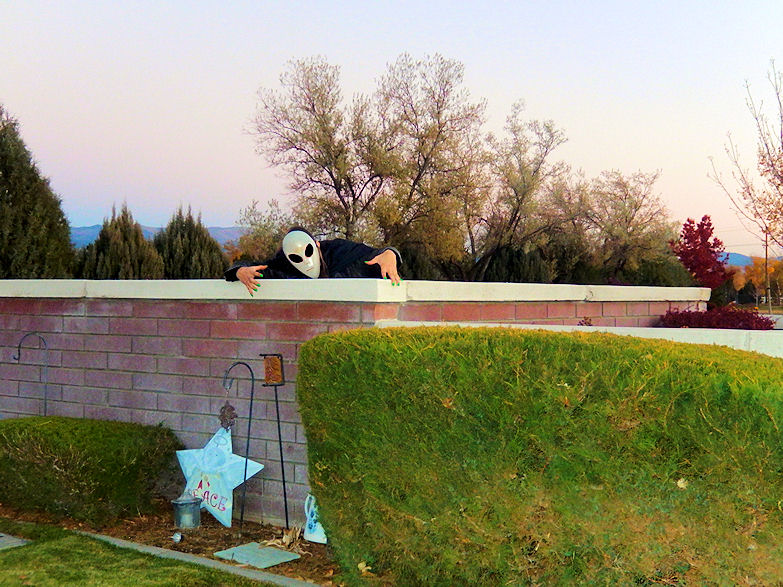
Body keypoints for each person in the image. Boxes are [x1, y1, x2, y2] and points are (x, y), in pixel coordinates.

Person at [224, 227, 402, 296]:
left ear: (317, 244)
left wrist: (390, 253)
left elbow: (372, 254)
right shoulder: (284, 264)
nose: (305, 260)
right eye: (296, 257)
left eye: (308, 251)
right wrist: (239, 271)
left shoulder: (338, 249)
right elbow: (256, 267)